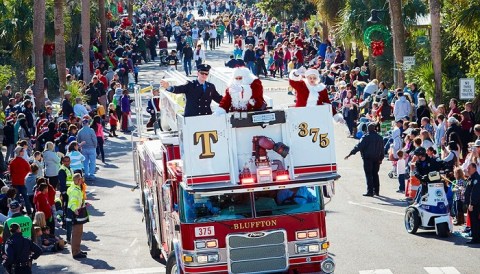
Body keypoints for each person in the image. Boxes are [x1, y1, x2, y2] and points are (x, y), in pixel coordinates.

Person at [345, 123, 384, 196]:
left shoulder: (365, 137)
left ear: (368, 129)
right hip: (376, 159)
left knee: (369, 175)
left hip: (367, 159)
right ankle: (376, 191)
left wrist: (350, 153)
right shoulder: (380, 137)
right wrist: (381, 158)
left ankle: (370, 191)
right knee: (375, 174)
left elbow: (358, 146)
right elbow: (382, 149)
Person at [68, 173, 88, 259]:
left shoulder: (75, 187)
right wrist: (75, 209)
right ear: (78, 180)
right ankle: (76, 252)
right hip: (76, 213)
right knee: (77, 233)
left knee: (78, 233)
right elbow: (72, 201)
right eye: (81, 178)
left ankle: (77, 250)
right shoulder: (75, 190)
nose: (82, 180)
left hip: (78, 211)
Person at [9, 147, 32, 215]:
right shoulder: (23, 161)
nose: (23, 152)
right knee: (26, 199)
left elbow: (11, 172)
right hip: (22, 182)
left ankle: (18, 212)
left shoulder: (12, 162)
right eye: (22, 151)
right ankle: (29, 212)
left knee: (16, 199)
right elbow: (29, 170)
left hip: (15, 183)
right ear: (19, 152)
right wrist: (24, 175)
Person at [466, 162, 480, 244]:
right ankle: (475, 236)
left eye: (469, 168)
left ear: (474, 168)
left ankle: (476, 238)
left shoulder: (476, 179)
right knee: (473, 221)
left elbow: (475, 193)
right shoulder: (471, 178)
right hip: (471, 204)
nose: (468, 170)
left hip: (475, 205)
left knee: (475, 222)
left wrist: (472, 204)